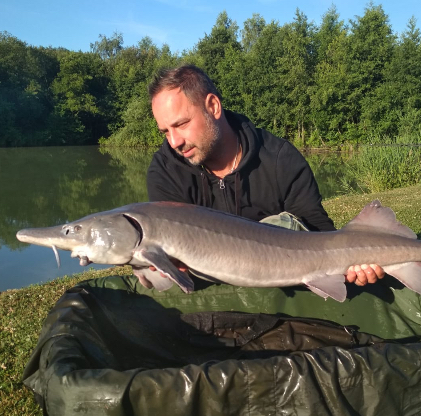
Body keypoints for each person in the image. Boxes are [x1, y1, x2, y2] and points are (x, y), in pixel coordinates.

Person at [146, 64, 384, 286]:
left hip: (284, 288)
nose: (175, 141)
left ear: (213, 107)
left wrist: (354, 259)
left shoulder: (280, 158)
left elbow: (318, 231)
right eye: (165, 131)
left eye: (182, 124)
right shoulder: (165, 170)